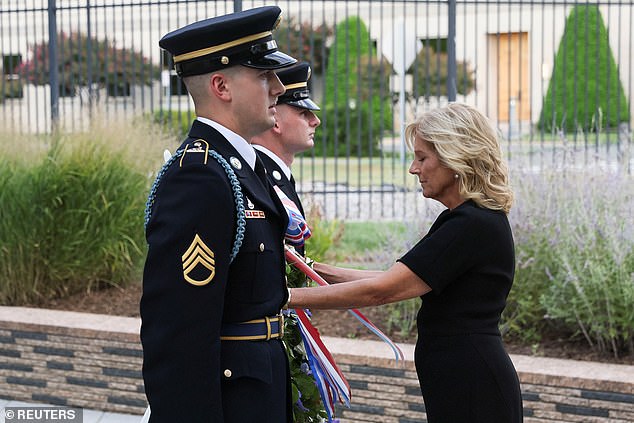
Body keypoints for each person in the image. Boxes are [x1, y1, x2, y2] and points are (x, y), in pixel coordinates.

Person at [286, 103, 523, 422]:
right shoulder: (462, 219)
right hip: (463, 378)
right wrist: (312, 267)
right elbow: (397, 276)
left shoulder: (472, 225)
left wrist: (281, 298)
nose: (413, 169)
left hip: (472, 384)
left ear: (456, 158)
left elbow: (381, 291)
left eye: (422, 157)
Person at [140, 6, 297, 422]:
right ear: (221, 86)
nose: (279, 87)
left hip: (259, 388)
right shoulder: (200, 176)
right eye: (265, 75)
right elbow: (178, 333)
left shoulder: (244, 165)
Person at [251, 61, 321, 256]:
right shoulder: (261, 177)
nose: (315, 121)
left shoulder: (275, 174)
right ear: (275, 123)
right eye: (303, 113)